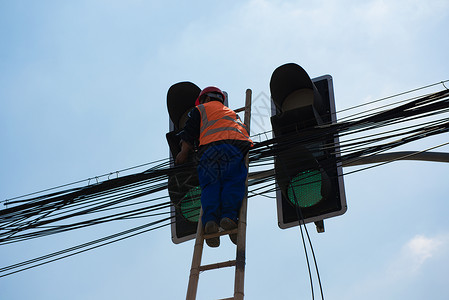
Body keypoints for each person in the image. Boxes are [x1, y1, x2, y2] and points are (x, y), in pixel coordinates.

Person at [175, 86, 253, 247]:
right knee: (232, 183)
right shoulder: (232, 114)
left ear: (205, 99)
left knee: (210, 186)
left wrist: (183, 153)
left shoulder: (200, 109)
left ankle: (210, 221)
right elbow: (243, 134)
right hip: (232, 149)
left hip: (209, 152)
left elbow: (189, 132)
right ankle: (229, 218)